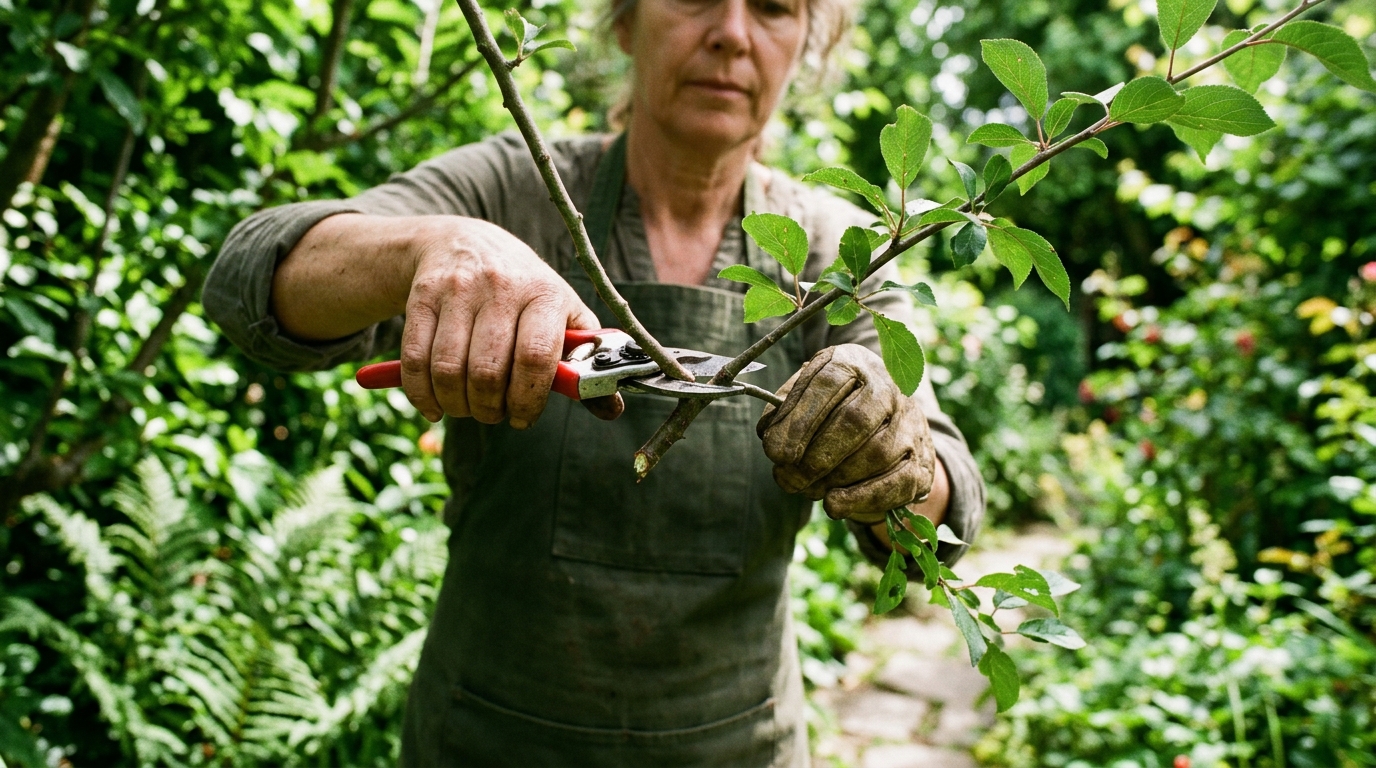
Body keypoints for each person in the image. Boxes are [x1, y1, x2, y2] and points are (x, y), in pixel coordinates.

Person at [204, 0, 986, 764]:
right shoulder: (516, 193)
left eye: (775, 8)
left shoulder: (833, 261)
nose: (732, 34)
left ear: (807, 42)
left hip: (739, 744)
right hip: (484, 738)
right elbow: (250, 279)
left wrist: (894, 451)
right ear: (623, 20)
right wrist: (433, 247)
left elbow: (941, 521)